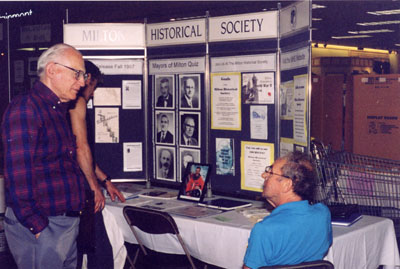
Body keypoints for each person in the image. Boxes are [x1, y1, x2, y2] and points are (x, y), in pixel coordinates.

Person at [1, 43, 87, 268]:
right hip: (44, 227)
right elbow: (18, 173)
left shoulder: (54, 110)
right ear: (52, 70)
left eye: (83, 75)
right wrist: (37, 226)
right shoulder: (26, 109)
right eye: (77, 73)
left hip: (61, 225)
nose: (83, 82)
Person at [68, 60, 126, 268]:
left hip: (72, 187)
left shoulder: (63, 103)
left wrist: (106, 181)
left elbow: (86, 157)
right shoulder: (78, 102)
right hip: (81, 189)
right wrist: (95, 188)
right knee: (99, 249)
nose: (92, 93)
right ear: (88, 79)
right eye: (93, 87)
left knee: (79, 249)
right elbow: (81, 149)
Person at [243, 151, 332, 269]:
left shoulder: (264, 229)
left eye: (270, 172)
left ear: (287, 185)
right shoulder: (323, 214)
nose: (263, 175)